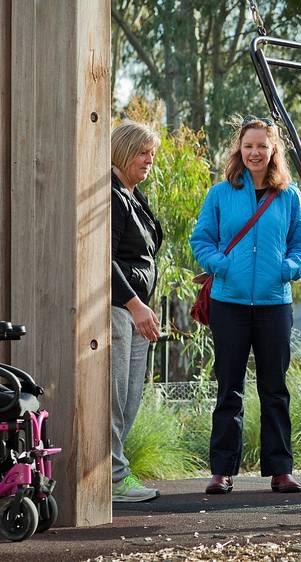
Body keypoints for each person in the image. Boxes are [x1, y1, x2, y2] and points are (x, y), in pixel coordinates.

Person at [190, 116, 301, 495]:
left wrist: (287, 269)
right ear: (239, 150)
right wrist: (221, 266)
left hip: (276, 303)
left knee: (275, 387)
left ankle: (281, 470)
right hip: (229, 303)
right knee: (230, 387)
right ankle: (221, 471)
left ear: (273, 149)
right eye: (248, 146)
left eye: (262, 145)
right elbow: (201, 240)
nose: (255, 152)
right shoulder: (221, 194)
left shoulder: (290, 196)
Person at [111, 120, 163, 502]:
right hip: (119, 310)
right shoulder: (112, 194)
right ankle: (114, 477)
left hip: (137, 312)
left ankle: (114, 472)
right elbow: (105, 258)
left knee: (130, 398)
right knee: (114, 398)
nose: (149, 160)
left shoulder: (134, 194)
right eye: (143, 152)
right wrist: (135, 303)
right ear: (124, 150)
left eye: (152, 154)